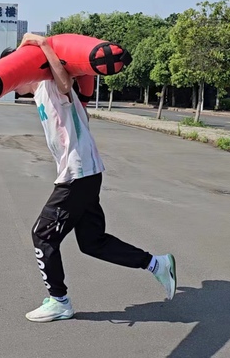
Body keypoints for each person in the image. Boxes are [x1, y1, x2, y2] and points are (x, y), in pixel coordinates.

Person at [11, 33, 176, 323]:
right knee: (92, 242)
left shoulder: (49, 85)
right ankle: (157, 264)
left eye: (14, 76)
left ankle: (59, 301)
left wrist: (44, 45)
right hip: (85, 173)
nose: (13, 84)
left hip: (78, 175)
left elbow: (65, 84)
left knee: (43, 235)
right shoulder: (40, 94)